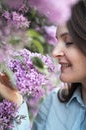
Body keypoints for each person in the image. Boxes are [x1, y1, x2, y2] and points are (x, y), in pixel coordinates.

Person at [31, 0, 86, 130]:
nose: (55, 52)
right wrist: (16, 102)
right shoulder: (53, 102)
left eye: (69, 42)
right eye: (57, 40)